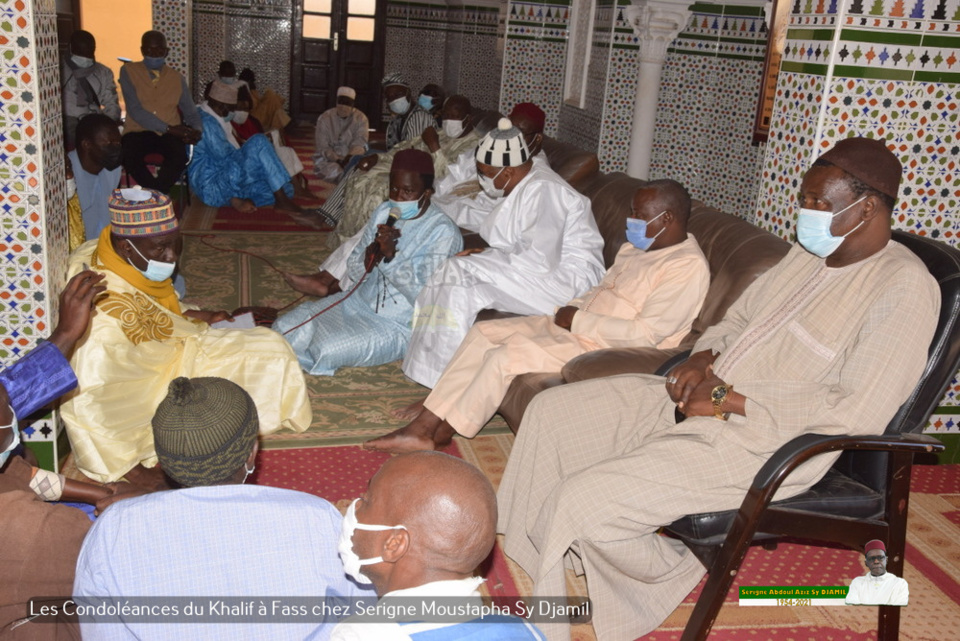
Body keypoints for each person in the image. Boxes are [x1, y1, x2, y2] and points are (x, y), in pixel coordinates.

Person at [496, 137, 940, 641]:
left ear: (869, 207)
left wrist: (729, 400)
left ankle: (670, 569)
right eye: (805, 199)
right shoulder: (808, 256)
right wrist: (704, 356)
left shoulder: (903, 288)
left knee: (585, 500)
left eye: (821, 204)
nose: (806, 212)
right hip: (707, 395)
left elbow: (857, 410)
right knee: (553, 412)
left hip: (766, 439)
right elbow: (740, 318)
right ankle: (541, 556)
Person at [368, 180, 710, 452]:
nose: (630, 221)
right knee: (483, 334)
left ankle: (436, 433)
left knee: (505, 356)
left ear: (667, 218)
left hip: (603, 345)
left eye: (639, 214)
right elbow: (600, 290)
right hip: (574, 324)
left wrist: (576, 321)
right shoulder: (637, 248)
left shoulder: (686, 267)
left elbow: (646, 334)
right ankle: (429, 416)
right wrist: (569, 307)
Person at [74, 377, 375, 641]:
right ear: (252, 453)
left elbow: (102, 628)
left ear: (163, 461)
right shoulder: (316, 517)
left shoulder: (113, 529)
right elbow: (363, 610)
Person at [61, 188, 311, 483]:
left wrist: (200, 317)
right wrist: (138, 474)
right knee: (272, 351)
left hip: (173, 343)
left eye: (175, 245)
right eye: (161, 248)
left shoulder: (104, 250)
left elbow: (156, 311)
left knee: (263, 339)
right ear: (127, 248)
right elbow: (89, 400)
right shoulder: (102, 322)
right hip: (159, 382)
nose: (171, 257)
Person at [400, 118, 605, 390]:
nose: (482, 180)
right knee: (452, 270)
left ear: (507, 172)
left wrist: (486, 257)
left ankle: (445, 386)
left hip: (568, 283)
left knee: (459, 277)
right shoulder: (524, 180)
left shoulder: (546, 191)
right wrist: (486, 255)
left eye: (485, 173)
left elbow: (540, 261)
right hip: (539, 270)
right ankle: (426, 369)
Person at [274, 149, 462, 375]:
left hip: (397, 324)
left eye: (408, 192)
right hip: (355, 302)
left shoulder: (443, 232)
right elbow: (354, 269)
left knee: (325, 350)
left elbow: (424, 296)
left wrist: (392, 258)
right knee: (285, 327)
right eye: (394, 189)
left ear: (428, 193)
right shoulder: (384, 212)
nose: (398, 197)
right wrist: (366, 260)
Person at [0, 269, 110, 640]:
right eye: (8, 410)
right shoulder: (32, 529)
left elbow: (20, 475)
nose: (13, 407)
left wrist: (102, 493)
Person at [331, 451, 545, 640]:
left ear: (394, 544)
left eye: (366, 502)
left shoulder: (361, 634)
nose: (355, 505)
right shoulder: (524, 630)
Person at [326, 94, 480, 245]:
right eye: (446, 116)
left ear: (469, 118)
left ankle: (374, 244)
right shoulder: (440, 133)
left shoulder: (473, 145)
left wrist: (434, 146)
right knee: (361, 176)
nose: (448, 121)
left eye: (454, 116)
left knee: (380, 188)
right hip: (407, 173)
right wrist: (378, 158)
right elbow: (404, 149)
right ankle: (347, 240)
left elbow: (448, 176)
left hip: (429, 184)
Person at [189, 79, 316, 217]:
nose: (233, 112)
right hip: (212, 186)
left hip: (227, 179)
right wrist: (254, 157)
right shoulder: (206, 122)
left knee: (287, 188)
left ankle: (244, 200)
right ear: (220, 105)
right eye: (231, 107)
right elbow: (224, 158)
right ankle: (281, 202)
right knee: (259, 141)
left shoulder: (213, 116)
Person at [432, 102, 546, 231]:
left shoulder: (533, 174)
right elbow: (456, 171)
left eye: (520, 132)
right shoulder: (495, 146)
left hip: (459, 221)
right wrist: (433, 195)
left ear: (537, 138)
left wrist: (440, 209)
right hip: (440, 204)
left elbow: (493, 219)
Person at [119, 30, 202, 194]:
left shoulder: (177, 78)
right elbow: (135, 111)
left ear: (166, 52)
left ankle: (155, 194)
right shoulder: (128, 71)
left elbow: (191, 112)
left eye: (159, 51)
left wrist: (197, 130)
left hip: (169, 135)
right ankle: (157, 193)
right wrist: (170, 129)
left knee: (179, 157)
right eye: (149, 51)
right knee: (128, 155)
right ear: (142, 51)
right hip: (138, 131)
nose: (154, 54)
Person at [60, 30, 120, 150]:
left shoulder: (103, 72)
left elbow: (111, 103)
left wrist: (108, 125)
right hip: (66, 119)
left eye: (89, 52)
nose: (85, 56)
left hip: (92, 119)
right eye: (80, 52)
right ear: (70, 48)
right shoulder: (57, 69)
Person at [67, 114, 123, 243]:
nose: (116, 148)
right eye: (109, 143)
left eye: (118, 143)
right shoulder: (66, 175)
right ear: (87, 144)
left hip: (104, 246)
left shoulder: (113, 170)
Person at [314, 86, 370, 183]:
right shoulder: (325, 118)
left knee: (361, 171)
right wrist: (337, 159)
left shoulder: (361, 118)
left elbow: (360, 142)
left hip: (353, 159)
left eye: (347, 103)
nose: (343, 106)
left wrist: (349, 158)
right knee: (336, 172)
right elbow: (322, 146)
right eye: (341, 102)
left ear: (353, 105)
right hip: (329, 160)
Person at [845, 540, 909, 605]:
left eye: (880, 558)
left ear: (886, 560)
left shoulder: (899, 583)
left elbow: (899, 607)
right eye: (872, 558)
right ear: (866, 563)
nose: (876, 561)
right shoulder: (857, 582)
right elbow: (852, 603)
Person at [382, 72, 434, 151]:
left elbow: (411, 153)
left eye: (397, 95)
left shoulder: (419, 116)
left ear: (408, 93)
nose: (394, 100)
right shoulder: (398, 118)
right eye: (389, 97)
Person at [238, 66, 292, 133]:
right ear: (248, 81)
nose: (254, 83)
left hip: (257, 115)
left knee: (273, 101)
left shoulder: (250, 90)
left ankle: (285, 125)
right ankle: (286, 124)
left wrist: (253, 91)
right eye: (253, 81)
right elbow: (249, 106)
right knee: (271, 96)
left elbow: (258, 103)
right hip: (252, 119)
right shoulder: (242, 88)